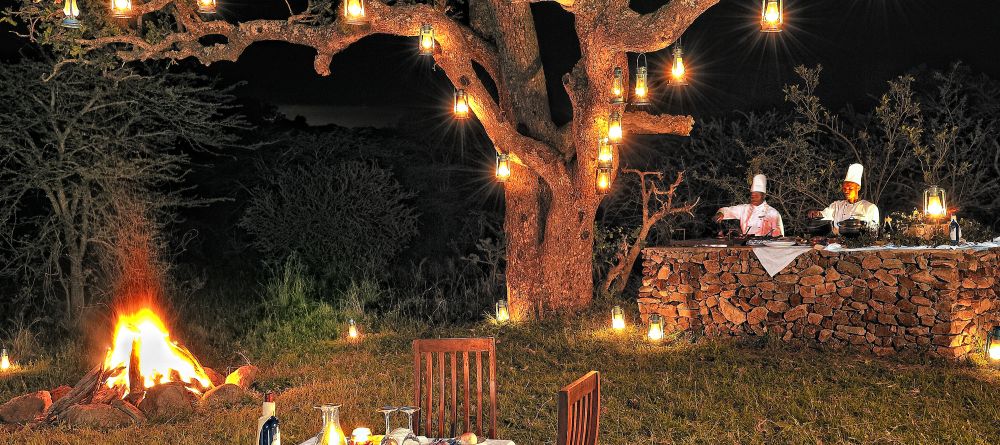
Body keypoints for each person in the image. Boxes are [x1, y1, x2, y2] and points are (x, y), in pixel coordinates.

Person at [809, 163, 880, 233]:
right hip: (836, 243)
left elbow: (874, 231)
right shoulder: (837, 206)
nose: (846, 191)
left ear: (858, 188)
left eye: (850, 188)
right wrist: (817, 214)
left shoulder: (870, 207)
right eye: (844, 189)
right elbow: (825, 214)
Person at [714, 174, 785, 237]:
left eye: (757, 195)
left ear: (764, 196)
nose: (754, 197)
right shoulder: (744, 209)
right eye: (752, 195)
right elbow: (726, 210)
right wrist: (721, 213)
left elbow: (779, 236)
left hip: (765, 248)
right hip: (746, 245)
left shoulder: (773, 213)